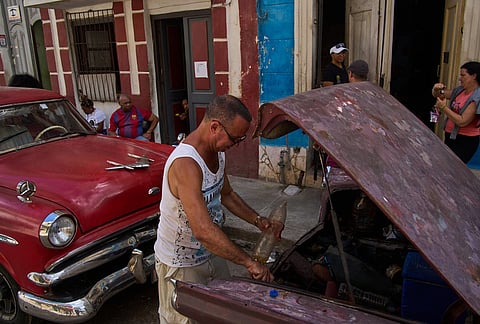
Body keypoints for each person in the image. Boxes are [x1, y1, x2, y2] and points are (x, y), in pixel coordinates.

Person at [154, 94, 281, 323]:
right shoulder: (186, 164)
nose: (235, 145)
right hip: (180, 263)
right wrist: (248, 262)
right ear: (215, 127)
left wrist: (257, 220)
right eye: (235, 139)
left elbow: (227, 194)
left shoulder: (218, 153)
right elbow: (202, 230)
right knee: (184, 319)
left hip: (210, 251)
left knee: (222, 311)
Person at [432, 61, 480, 163]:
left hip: (465, 141)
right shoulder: (460, 90)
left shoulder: (477, 96)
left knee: (454, 168)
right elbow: (439, 94)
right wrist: (436, 89)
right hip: (451, 136)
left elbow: (462, 121)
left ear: (474, 76)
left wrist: (444, 108)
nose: (460, 78)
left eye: (463, 75)